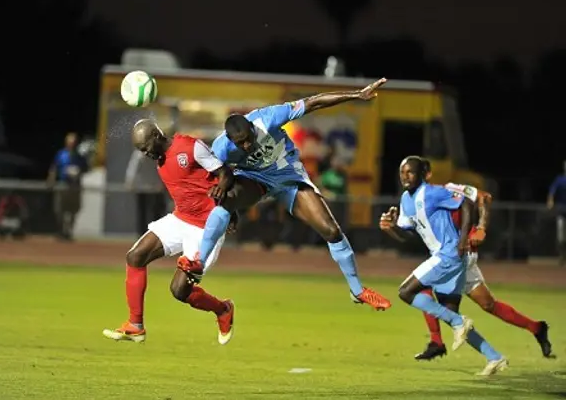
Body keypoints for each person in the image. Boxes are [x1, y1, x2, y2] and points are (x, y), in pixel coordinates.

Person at [177, 78, 392, 310]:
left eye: (250, 138)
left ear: (251, 127)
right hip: (255, 181)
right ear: (230, 141)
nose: (248, 145)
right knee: (224, 199)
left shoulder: (267, 118)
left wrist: (357, 95)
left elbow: (313, 103)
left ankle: (357, 290)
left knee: (331, 230)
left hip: (290, 179)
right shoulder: (221, 148)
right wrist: (230, 207)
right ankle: (198, 261)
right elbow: (212, 178)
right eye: (241, 144)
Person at [102, 120, 237, 345]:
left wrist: (228, 207)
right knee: (135, 256)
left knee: (179, 290)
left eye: (146, 147)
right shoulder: (161, 159)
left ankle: (223, 309)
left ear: (156, 135)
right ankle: (135, 326)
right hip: (180, 219)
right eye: (141, 151)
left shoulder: (190, 146)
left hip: (206, 229)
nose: (146, 153)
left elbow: (225, 174)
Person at [380, 156, 508, 376]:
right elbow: (407, 237)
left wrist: (462, 240)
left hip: (449, 254)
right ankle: (494, 357)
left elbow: (466, 203)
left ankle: (459, 322)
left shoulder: (432, 192)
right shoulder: (406, 200)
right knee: (448, 313)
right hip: (444, 256)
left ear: (421, 174)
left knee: (405, 291)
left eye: (410, 172)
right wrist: (390, 227)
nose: (405, 176)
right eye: (402, 172)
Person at [414, 159, 552, 360]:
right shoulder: (414, 202)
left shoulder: (450, 189)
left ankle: (437, 341)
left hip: (458, 255)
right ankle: (537, 328)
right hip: (449, 257)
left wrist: (480, 228)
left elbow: (484, 197)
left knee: (421, 288)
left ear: (426, 175)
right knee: (488, 304)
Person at [47, 132, 89, 241]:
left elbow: (86, 168)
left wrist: (78, 172)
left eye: (74, 142)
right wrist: (51, 180)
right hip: (63, 185)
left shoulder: (80, 157)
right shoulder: (61, 154)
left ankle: (68, 231)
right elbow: (54, 168)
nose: (72, 144)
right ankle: (61, 230)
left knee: (73, 210)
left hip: (75, 186)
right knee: (60, 209)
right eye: (70, 142)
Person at [547, 160, 566, 266]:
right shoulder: (560, 179)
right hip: (562, 211)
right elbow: (552, 190)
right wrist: (550, 200)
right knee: (560, 237)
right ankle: (562, 256)